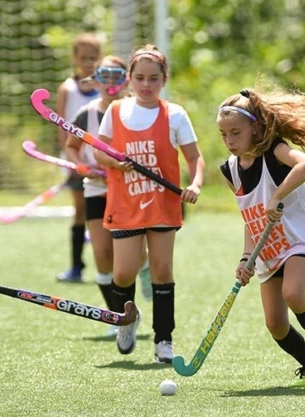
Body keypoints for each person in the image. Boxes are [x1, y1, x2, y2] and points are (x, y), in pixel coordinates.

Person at [216, 84, 305, 387]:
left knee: (293, 293)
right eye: (223, 135)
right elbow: (250, 218)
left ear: (254, 127)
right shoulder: (231, 170)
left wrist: (277, 196)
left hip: (299, 240)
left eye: (235, 132)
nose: (229, 140)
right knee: (275, 323)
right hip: (269, 250)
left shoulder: (275, 151)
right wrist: (246, 257)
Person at [95, 44, 204, 363]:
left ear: (164, 80)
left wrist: (195, 183)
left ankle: (164, 340)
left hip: (162, 205)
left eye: (153, 78)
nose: (146, 84)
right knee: (123, 273)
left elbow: (195, 157)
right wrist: (114, 162)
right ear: (129, 79)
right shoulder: (116, 111)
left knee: (162, 269)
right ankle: (126, 321)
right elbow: (99, 151)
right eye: (140, 78)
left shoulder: (175, 114)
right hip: (125, 204)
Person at [64, 55, 153, 339]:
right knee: (103, 256)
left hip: (129, 191)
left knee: (134, 255)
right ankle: (120, 317)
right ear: (96, 81)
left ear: (126, 80)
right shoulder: (86, 114)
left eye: (117, 76)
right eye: (105, 76)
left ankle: (145, 266)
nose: (111, 83)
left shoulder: (136, 111)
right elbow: (72, 146)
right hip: (96, 190)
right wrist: (81, 165)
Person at [55, 32, 101, 283]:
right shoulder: (68, 89)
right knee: (81, 210)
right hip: (77, 162)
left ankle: (111, 266)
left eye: (93, 57)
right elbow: (62, 127)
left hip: (103, 162)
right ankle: (76, 267)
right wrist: (72, 160)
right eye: (83, 57)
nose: (88, 62)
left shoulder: (104, 89)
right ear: (74, 58)